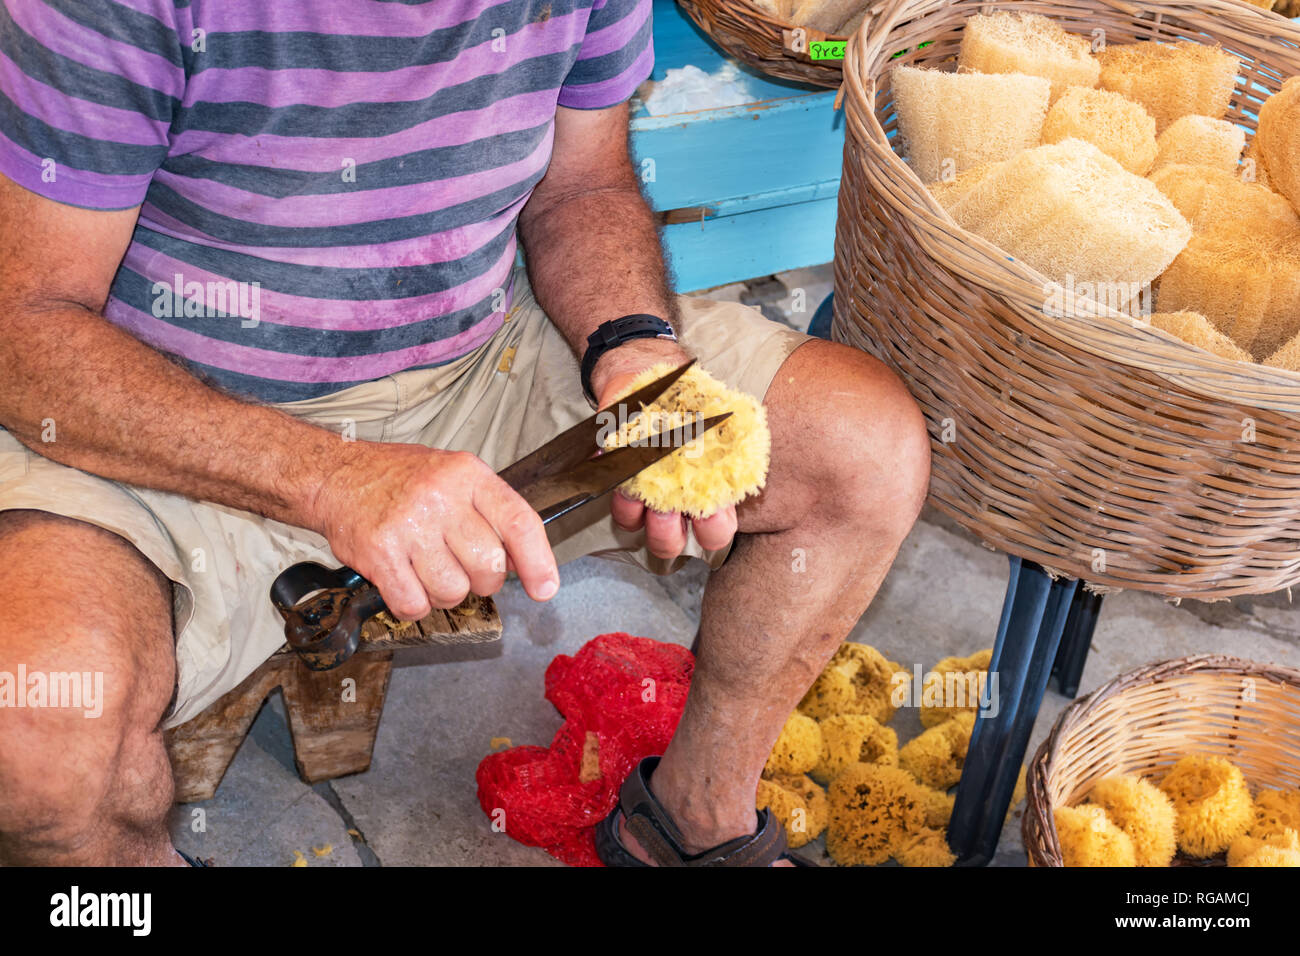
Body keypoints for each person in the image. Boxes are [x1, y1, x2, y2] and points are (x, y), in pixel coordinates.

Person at [0, 0, 928, 866]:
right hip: (168, 409)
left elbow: (583, 187)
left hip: (482, 353)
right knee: (34, 743)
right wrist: (332, 476)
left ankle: (689, 820)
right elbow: (25, 329)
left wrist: (631, 346)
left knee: (863, 451)